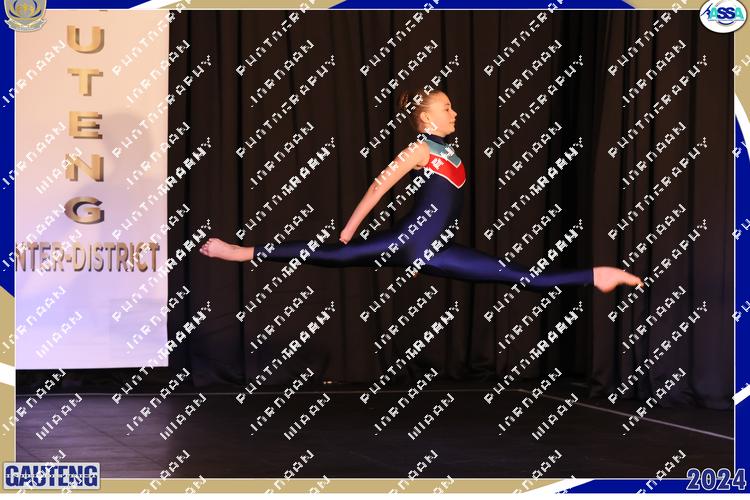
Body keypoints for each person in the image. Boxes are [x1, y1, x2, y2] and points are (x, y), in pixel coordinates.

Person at [200, 89, 643, 293]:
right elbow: (378, 187)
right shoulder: (418, 149)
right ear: (428, 118)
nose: (455, 112)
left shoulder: (446, 150)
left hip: (434, 249)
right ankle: (243, 251)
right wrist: (350, 230)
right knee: (330, 254)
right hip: (411, 243)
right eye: (447, 108)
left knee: (520, 277)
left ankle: (597, 276)